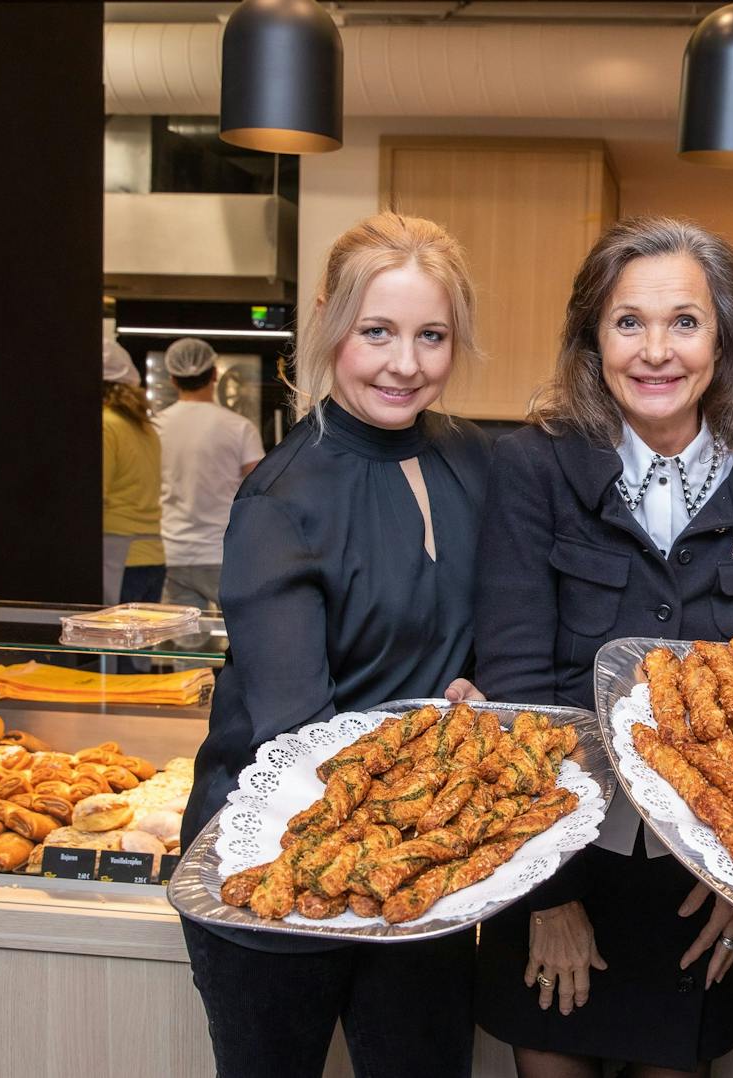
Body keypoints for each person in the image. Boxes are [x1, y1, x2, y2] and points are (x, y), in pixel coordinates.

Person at [474, 216, 733, 1078]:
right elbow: (514, 685)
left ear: (724, 339)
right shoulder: (531, 468)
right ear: (592, 339)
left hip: (701, 871)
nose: (655, 351)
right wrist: (549, 895)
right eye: (629, 322)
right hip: (556, 847)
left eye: (684, 322)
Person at [179, 212, 490, 1078]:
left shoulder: (473, 458)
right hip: (275, 864)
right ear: (327, 323)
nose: (407, 364)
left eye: (432, 336)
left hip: (414, 861)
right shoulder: (280, 499)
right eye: (377, 332)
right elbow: (298, 731)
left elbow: (488, 625)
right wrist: (447, 732)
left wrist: (481, 686)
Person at [154, 337, 264, 612]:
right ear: (215, 374)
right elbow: (260, 489)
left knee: (182, 645)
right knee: (238, 638)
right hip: (223, 552)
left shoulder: (153, 427)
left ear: (172, 379)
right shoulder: (239, 427)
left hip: (170, 551)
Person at [101, 336, 164, 605]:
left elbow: (96, 497)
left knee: (108, 647)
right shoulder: (144, 427)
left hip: (118, 555)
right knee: (142, 647)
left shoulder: (105, 425)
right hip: (153, 555)